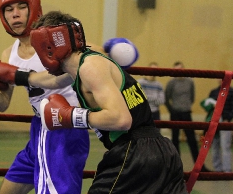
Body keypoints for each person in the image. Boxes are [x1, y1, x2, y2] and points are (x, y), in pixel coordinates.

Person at [0, 0, 139, 193]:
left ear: (34, 9)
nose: (15, 14)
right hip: (38, 129)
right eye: (9, 10)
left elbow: (93, 53)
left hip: (64, 129)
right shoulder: (8, 54)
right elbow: (1, 103)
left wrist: (111, 54)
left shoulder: (55, 40)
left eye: (21, 7)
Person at [18, 10, 186, 193]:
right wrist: (17, 76)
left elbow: (121, 119)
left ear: (49, 46)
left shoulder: (90, 67)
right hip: (158, 152)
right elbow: (52, 81)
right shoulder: (85, 64)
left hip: (135, 154)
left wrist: (71, 116)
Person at [165, 61, 211, 172]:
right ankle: (176, 168)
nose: (178, 72)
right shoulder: (171, 82)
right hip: (175, 113)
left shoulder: (190, 81)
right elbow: (166, 98)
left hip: (186, 112)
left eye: (180, 69)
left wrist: (186, 106)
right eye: (176, 70)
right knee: (175, 140)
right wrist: (172, 110)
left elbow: (192, 96)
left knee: (192, 140)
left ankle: (200, 166)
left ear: (184, 69)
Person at [200, 80, 233, 172]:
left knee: (225, 145)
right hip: (213, 121)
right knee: (214, 145)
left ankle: (227, 169)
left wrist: (228, 118)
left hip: (225, 121)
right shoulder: (213, 92)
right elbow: (207, 106)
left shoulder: (231, 92)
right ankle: (217, 169)